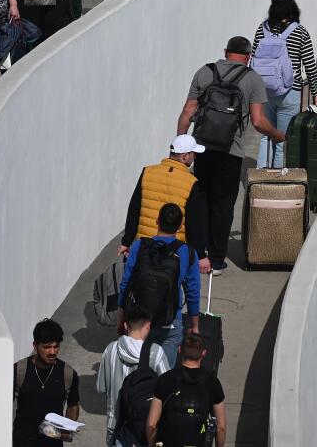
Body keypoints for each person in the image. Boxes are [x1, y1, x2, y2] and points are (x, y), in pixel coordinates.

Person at [176, 37, 286, 274]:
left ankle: (197, 254)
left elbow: (188, 110)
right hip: (231, 151)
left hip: (201, 147)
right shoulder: (252, 79)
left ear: (225, 52)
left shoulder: (205, 73)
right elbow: (257, 121)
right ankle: (216, 261)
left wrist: (181, 143)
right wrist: (277, 134)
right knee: (223, 205)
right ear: (248, 56)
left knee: (200, 199)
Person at [117, 203, 202, 367]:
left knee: (136, 371)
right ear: (179, 226)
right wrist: (195, 325)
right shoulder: (187, 252)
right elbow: (193, 292)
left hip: (138, 321)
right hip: (169, 322)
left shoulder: (139, 246)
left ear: (157, 221)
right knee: (164, 375)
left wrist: (121, 316)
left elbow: (126, 284)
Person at [249, 0, 317, 169]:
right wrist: (315, 92)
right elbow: (310, 65)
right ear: (292, 6)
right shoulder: (300, 31)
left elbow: (253, 60)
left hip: (265, 92)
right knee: (282, 139)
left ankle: (261, 177)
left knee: (266, 135)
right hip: (290, 92)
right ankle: (278, 181)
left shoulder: (262, 29)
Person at [95, 304, 169, 447]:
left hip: (116, 424)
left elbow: (100, 388)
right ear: (148, 325)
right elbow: (167, 391)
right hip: (146, 428)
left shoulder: (110, 350)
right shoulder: (156, 352)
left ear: (125, 325)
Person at [119, 135, 203, 256]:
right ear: (185, 156)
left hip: (143, 248)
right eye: (194, 154)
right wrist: (200, 255)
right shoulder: (192, 183)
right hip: (172, 252)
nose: (195, 157)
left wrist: (126, 242)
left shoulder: (147, 172)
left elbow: (134, 210)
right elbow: (194, 223)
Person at [145, 334, 227, 447]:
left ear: (179, 350)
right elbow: (221, 427)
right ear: (204, 353)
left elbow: (151, 424)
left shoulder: (165, 380)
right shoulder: (212, 383)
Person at [12, 318, 81, 447]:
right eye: (47, 347)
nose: (52, 352)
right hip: (22, 442)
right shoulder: (19, 370)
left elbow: (73, 405)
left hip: (53, 443)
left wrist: (68, 426)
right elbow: (2, 407)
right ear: (35, 346)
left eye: (56, 347)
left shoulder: (68, 373)